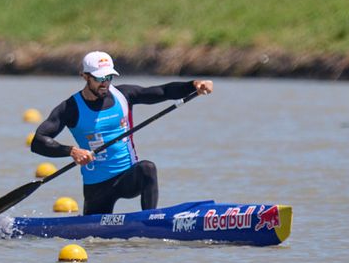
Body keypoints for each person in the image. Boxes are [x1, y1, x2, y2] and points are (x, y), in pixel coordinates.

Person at [30, 51, 213, 215]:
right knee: (95, 243)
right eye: (100, 78)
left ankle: (151, 220)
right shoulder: (70, 108)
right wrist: (71, 151)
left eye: (109, 77)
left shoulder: (123, 95)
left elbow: (162, 91)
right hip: (97, 187)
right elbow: (38, 141)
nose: (105, 83)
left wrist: (193, 85)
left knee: (147, 168)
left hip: (127, 177)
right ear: (85, 76)